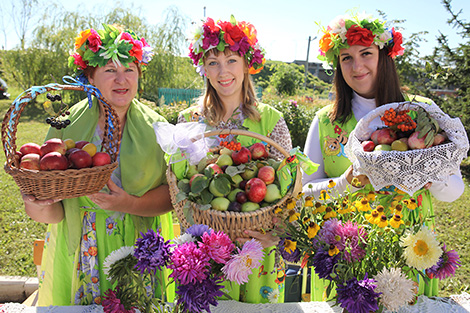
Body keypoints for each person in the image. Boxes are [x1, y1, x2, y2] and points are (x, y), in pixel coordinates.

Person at [302, 12, 465, 300]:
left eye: (366, 53)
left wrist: (431, 176)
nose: (357, 66)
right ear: (338, 66)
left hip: (412, 251)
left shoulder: (423, 113)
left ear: (385, 57)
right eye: (346, 58)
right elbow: (304, 193)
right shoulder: (326, 122)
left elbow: (454, 192)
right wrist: (344, 182)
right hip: (346, 256)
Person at [22, 24, 174, 306]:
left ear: (139, 75)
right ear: (89, 77)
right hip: (82, 249)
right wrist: (36, 201)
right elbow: (54, 214)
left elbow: (171, 197)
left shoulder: (158, 128)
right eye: (109, 71)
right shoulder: (66, 125)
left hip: (138, 245)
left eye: (129, 69)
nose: (121, 79)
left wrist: (128, 203)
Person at [178, 16, 293, 304]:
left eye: (231, 60)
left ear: (246, 65)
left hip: (256, 249)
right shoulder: (189, 121)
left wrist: (275, 237)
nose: (223, 71)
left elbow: (292, 191)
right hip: (203, 251)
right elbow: (178, 184)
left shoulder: (270, 121)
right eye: (213, 62)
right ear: (203, 67)